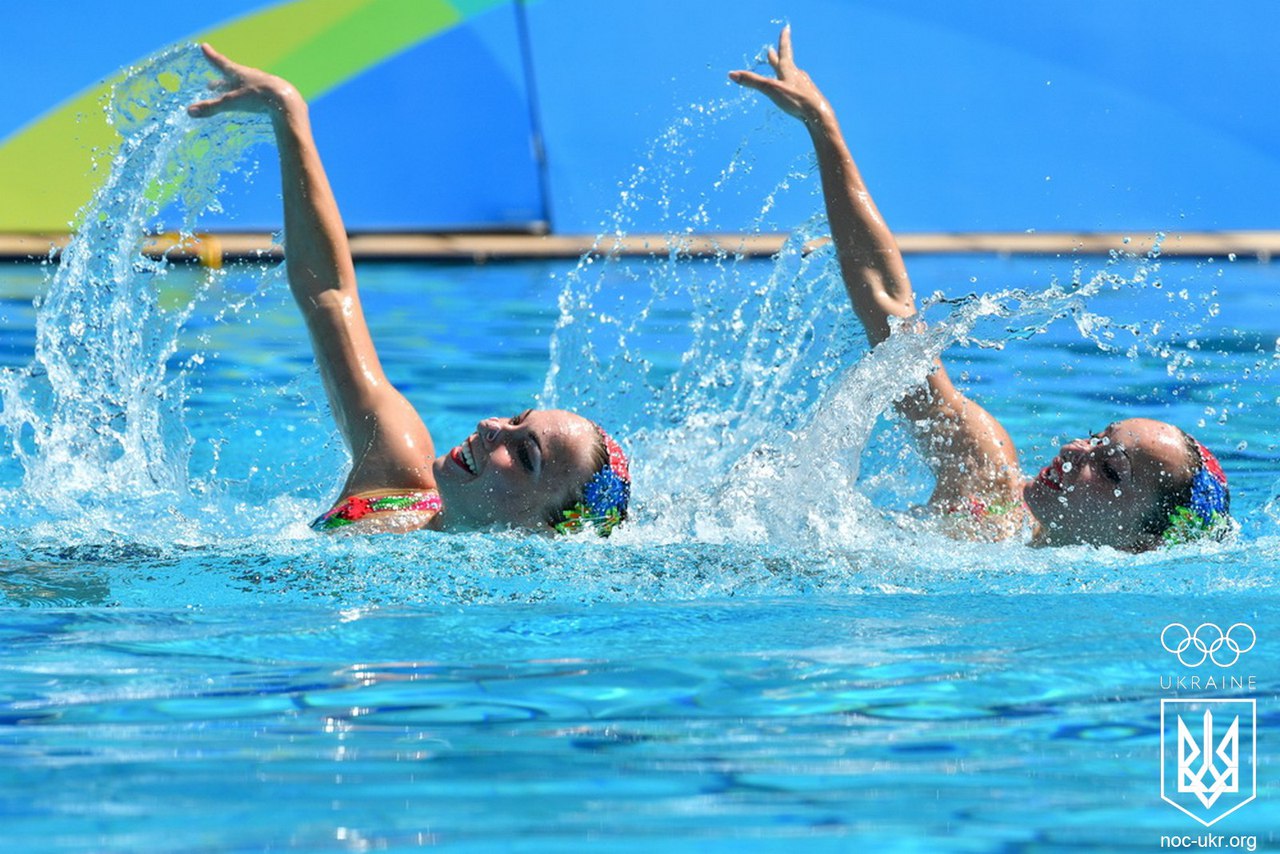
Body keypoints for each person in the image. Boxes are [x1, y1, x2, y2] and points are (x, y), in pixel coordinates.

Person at [730, 27, 1230, 551]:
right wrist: (823, 125)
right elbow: (892, 314)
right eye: (1097, 437)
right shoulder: (986, 476)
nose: (1075, 449)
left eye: (1108, 468)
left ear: (1140, 544)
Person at [188, 45, 629, 536]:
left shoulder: (483, 602)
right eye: (515, 419)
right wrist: (287, 109)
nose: (491, 428)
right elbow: (332, 295)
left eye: (525, 454)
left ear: (547, 531)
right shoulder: (394, 469)